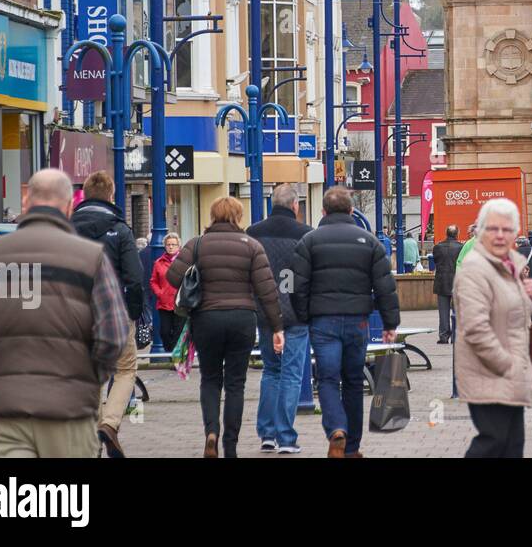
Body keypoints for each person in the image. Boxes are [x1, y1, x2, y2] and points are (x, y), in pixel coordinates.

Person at [0, 169, 128, 458]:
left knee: (12, 501)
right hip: (69, 412)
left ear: (27, 202)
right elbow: (113, 335)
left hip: (4, 411)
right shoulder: (91, 258)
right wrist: (89, 379)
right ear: (68, 207)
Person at [167, 195, 282, 459]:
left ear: (213, 216)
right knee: (235, 384)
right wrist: (277, 327)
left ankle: (211, 433)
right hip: (242, 319)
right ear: (238, 217)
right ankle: (231, 446)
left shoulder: (197, 244)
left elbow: (172, 277)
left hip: (206, 319)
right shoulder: (251, 246)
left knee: (209, 379)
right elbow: (267, 291)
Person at [291, 186, 400, 459]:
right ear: (352, 211)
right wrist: (390, 324)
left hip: (323, 321)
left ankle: (336, 428)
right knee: (353, 381)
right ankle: (351, 447)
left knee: (328, 379)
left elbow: (297, 285)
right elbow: (385, 287)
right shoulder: (370, 241)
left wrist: (303, 316)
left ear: (323, 211)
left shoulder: (309, 241)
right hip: (358, 322)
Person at [454, 197, 532, 458]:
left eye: (507, 229)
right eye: (493, 229)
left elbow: (517, 312)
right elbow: (475, 328)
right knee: (492, 443)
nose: (500, 235)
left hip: (511, 370)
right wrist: (507, 364)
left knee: (512, 446)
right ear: (480, 231)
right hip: (488, 371)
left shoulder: (510, 264)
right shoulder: (474, 269)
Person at [70, 170, 145, 458]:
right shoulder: (121, 229)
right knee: (125, 369)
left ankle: (90, 441)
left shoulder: (66, 228)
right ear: (111, 195)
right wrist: (134, 313)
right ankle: (110, 423)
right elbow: (135, 277)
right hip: (114, 312)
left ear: (85, 195)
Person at [246, 184, 311, 455]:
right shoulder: (306, 235)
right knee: (292, 374)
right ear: (295, 205)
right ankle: (286, 437)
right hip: (296, 314)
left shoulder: (253, 233)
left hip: (265, 312)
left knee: (271, 371)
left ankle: (267, 433)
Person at [150, 233, 184, 351]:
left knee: (178, 333)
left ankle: (175, 359)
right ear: (164, 246)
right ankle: (170, 352)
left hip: (180, 303)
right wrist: (159, 293)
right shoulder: (159, 262)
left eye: (173, 244)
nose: (170, 247)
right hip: (164, 303)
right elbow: (153, 281)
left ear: (178, 246)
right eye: (168, 244)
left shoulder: (184, 262)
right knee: (164, 332)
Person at [433, 226, 464, 343]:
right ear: (457, 234)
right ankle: (456, 337)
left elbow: (436, 261)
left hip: (441, 282)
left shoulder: (438, 247)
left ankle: (444, 336)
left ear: (446, 233)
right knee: (457, 311)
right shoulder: (461, 248)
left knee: (443, 311)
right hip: (457, 282)